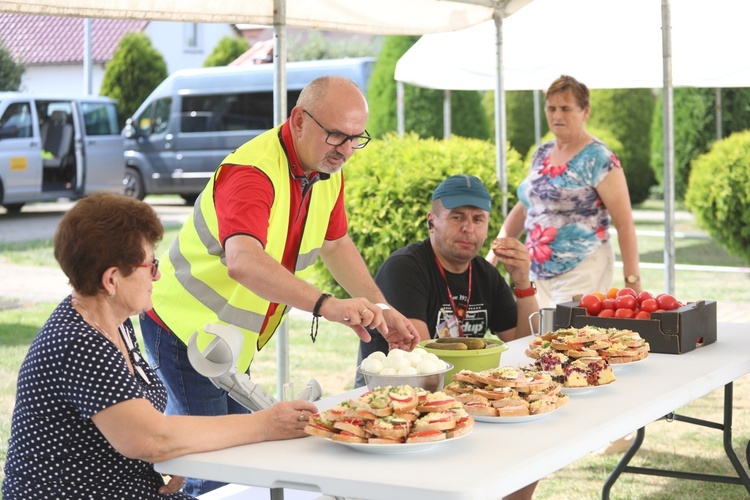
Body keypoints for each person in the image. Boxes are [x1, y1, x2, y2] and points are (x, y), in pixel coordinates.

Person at [139, 75, 419, 495]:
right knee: (215, 468)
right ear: (299, 120)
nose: (345, 150)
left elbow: (336, 242)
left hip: (229, 338)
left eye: (355, 139)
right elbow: (243, 262)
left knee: (246, 456)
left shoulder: (325, 169)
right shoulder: (252, 171)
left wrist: (384, 309)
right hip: (182, 330)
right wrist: (326, 304)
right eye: (336, 136)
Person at [2, 194, 318, 499]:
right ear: (112, 279)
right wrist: (265, 423)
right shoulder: (78, 343)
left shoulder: (113, 320)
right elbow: (151, 438)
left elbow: (146, 432)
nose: (159, 275)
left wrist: (172, 450)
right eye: (151, 266)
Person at [355, 174, 539, 500]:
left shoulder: (485, 273)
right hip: (393, 409)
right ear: (432, 221)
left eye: (478, 219)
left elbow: (525, 347)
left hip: (460, 403)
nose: (469, 228)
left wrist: (523, 281)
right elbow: (424, 360)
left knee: (531, 455)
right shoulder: (406, 268)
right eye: (457, 217)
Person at [487, 75, 642, 306]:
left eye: (566, 108)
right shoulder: (541, 153)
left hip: (583, 268)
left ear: (585, 111)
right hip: (535, 273)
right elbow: (524, 208)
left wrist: (632, 282)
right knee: (536, 337)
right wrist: (493, 257)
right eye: (551, 108)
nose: (557, 116)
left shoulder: (599, 158)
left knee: (568, 339)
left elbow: (624, 223)